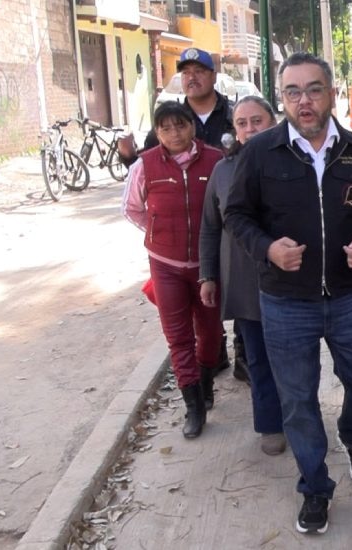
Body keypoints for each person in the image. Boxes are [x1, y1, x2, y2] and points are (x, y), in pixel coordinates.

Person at [223, 52, 352, 535]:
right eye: (292, 92)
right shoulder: (260, 151)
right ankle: (315, 486)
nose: (304, 101)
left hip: (349, 297)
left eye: (313, 89)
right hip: (285, 301)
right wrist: (267, 249)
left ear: (331, 93)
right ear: (282, 99)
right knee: (297, 399)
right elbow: (237, 216)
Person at [122, 47, 243, 380]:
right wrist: (159, 227)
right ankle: (208, 368)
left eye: (199, 71)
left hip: (227, 236)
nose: (192, 78)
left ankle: (244, 357)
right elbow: (147, 171)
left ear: (213, 76)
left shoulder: (233, 114)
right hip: (178, 251)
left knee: (238, 300)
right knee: (196, 322)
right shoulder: (169, 118)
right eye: (186, 72)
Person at [122, 101, 224, 439]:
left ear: (192, 126)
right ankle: (193, 407)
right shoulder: (145, 164)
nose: (174, 133)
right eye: (165, 128)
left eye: (180, 125)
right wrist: (158, 233)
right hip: (165, 266)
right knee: (178, 336)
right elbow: (132, 208)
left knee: (210, 332)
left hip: (207, 265)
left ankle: (205, 383)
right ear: (157, 132)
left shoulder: (215, 160)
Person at [198, 96, 286, 455]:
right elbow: (209, 227)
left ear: (273, 122)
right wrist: (208, 275)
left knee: (296, 357)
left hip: (290, 279)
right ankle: (270, 424)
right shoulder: (222, 171)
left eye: (257, 121)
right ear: (234, 130)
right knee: (259, 359)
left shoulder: (293, 161)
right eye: (242, 123)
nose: (250, 129)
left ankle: (301, 416)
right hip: (245, 282)